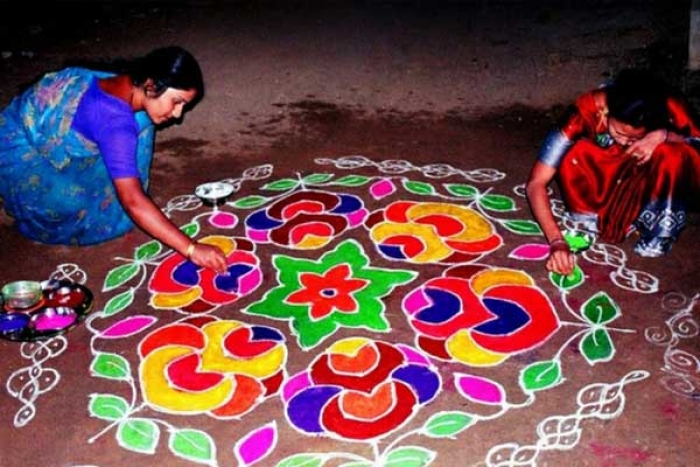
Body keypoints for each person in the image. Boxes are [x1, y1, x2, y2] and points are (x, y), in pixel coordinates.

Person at [0, 46, 227, 273]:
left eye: (184, 105)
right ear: (150, 85)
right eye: (176, 101)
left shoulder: (127, 82)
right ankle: (35, 212)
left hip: (55, 132)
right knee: (100, 213)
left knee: (143, 121)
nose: (178, 114)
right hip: (20, 158)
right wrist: (191, 248)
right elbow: (133, 201)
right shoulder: (116, 124)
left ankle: (115, 172)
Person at [526, 68, 700, 276]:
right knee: (575, 151)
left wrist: (664, 135)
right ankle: (593, 218)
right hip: (606, 172)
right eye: (618, 132)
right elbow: (536, 182)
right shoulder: (585, 111)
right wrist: (556, 241)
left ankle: (653, 227)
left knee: (673, 155)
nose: (625, 141)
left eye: (634, 138)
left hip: (648, 176)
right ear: (608, 111)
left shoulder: (669, 106)